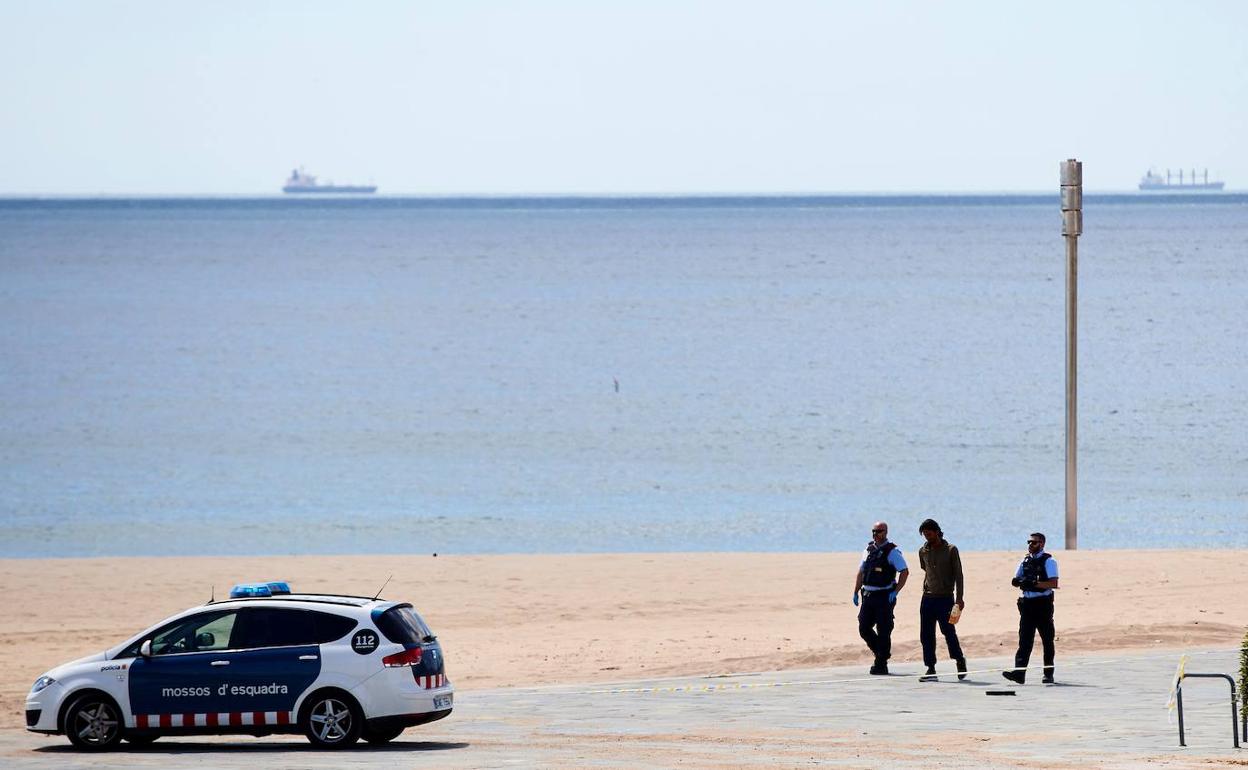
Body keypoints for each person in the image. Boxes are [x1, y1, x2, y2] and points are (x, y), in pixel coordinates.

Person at [852, 521, 909, 675]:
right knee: (864, 628)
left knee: (884, 629)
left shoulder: (892, 551)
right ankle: (882, 653)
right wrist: (856, 591)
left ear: (885, 532)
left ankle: (881, 663)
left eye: (878, 531)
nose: (875, 534)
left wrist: (896, 591)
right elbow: (861, 571)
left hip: (884, 596)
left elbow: (904, 571)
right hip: (868, 595)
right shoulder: (868, 550)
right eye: (873, 531)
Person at [1003, 532, 1059, 684]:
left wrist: (1035, 584)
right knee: (1025, 640)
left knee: (1047, 639)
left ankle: (1048, 673)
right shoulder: (1025, 560)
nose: (1030, 545)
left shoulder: (1049, 561)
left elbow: (1053, 583)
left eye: (1034, 542)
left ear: (1042, 544)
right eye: (1029, 542)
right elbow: (1016, 579)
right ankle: (1019, 673)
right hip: (1027, 604)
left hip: (1043, 604)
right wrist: (1018, 581)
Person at [916, 518, 967, 681]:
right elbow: (925, 569)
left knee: (948, 632)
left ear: (937, 531)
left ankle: (959, 660)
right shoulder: (922, 551)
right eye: (924, 535)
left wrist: (959, 598)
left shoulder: (951, 550)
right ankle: (930, 669)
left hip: (945, 599)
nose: (927, 537)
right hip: (927, 599)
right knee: (926, 635)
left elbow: (959, 575)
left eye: (929, 534)